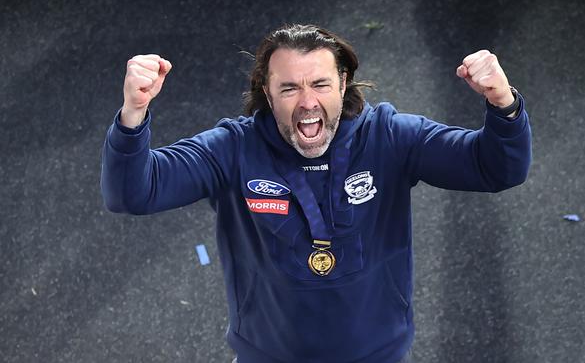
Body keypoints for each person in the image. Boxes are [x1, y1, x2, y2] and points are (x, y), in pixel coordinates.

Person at [101, 24, 531, 363]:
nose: (307, 102)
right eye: (289, 88)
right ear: (267, 93)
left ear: (343, 84)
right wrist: (133, 115)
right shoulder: (232, 149)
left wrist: (503, 104)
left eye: (320, 84)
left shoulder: (390, 137)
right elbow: (134, 193)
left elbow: (496, 168)